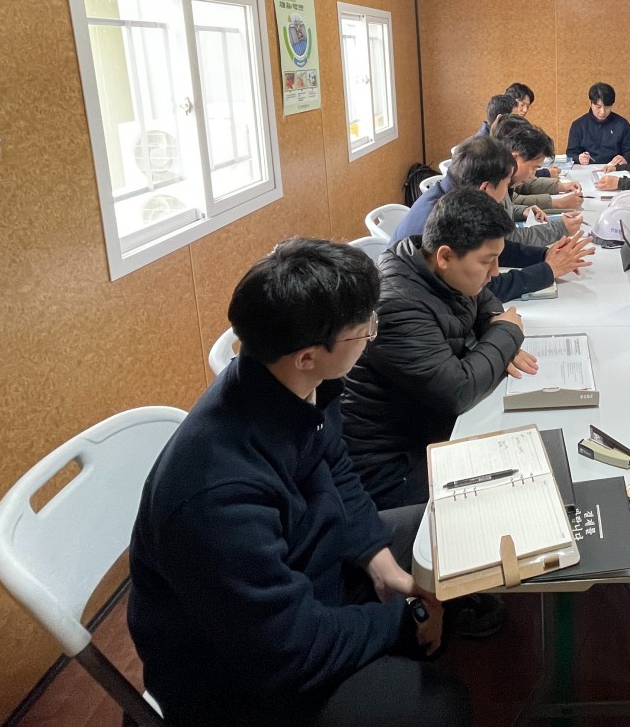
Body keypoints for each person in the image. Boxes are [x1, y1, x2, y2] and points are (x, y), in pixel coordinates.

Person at [128, 239, 471, 727]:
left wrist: (380, 563)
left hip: (307, 577)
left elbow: (337, 472)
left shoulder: (302, 385)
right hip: (244, 678)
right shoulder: (216, 495)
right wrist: (406, 617)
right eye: (364, 331)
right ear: (308, 355)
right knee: (438, 705)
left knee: (451, 528)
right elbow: (287, 648)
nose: (372, 336)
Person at [343, 188, 535, 511]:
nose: (495, 273)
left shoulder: (434, 266)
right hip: (392, 466)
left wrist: (497, 329)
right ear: (444, 256)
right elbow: (456, 391)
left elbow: (485, 302)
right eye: (487, 261)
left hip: (426, 430)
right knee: (511, 496)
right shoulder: (397, 304)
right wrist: (505, 335)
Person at [390, 136, 592, 301]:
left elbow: (493, 250)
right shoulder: (446, 218)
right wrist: (548, 270)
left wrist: (545, 255)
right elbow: (485, 288)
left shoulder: (453, 198)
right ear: (485, 188)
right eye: (506, 185)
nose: (508, 193)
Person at [490, 114, 584, 240]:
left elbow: (506, 208)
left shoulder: (500, 173)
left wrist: (521, 211)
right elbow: (507, 240)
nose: (534, 176)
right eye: (534, 168)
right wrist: (559, 228)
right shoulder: (491, 183)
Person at [566, 82, 630, 166]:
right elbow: (570, 153)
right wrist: (578, 158)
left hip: (614, 169)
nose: (602, 112)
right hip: (587, 169)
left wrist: (625, 159)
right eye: (598, 107)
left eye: (607, 107)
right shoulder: (578, 125)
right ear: (591, 103)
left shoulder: (622, 124)